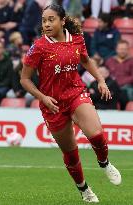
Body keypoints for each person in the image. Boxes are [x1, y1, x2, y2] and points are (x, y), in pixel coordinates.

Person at [20, 4, 121, 203]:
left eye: (51, 19)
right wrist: (42, 97)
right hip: (52, 104)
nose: (47, 24)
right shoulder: (39, 46)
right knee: (71, 153)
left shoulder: (76, 39)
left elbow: (86, 60)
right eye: (44, 20)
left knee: (96, 134)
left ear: (62, 21)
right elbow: (24, 79)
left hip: (75, 93)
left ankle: (105, 163)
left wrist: (100, 80)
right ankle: (84, 189)